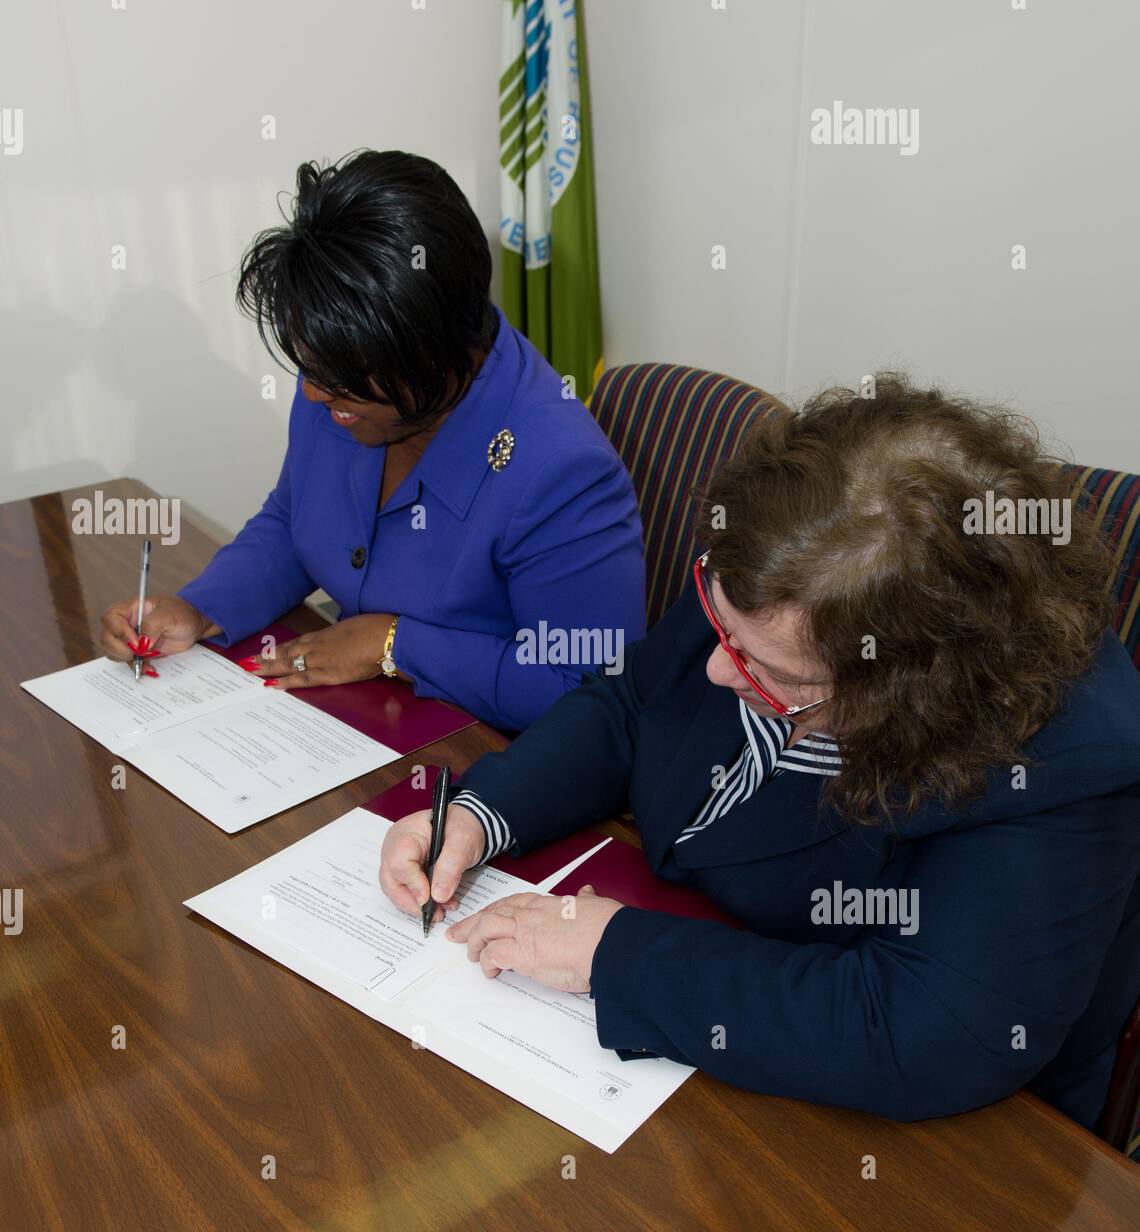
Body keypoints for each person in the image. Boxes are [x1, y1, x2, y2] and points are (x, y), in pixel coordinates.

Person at [380, 373, 1140, 1129]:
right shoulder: (776, 570)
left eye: (768, 672)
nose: (716, 667)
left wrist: (617, 956)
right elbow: (635, 700)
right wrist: (484, 813)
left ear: (902, 690)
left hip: (943, 1143)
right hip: (715, 987)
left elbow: (919, 1031)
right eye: (721, 625)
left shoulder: (1066, 768)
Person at [99, 150, 645, 730]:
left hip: (485, 760)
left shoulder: (561, 470)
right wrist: (199, 609)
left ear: (434, 353)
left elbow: (587, 687)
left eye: (336, 384)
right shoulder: (344, 372)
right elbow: (295, 521)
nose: (312, 396)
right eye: (308, 370)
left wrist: (394, 644)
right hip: (357, 724)